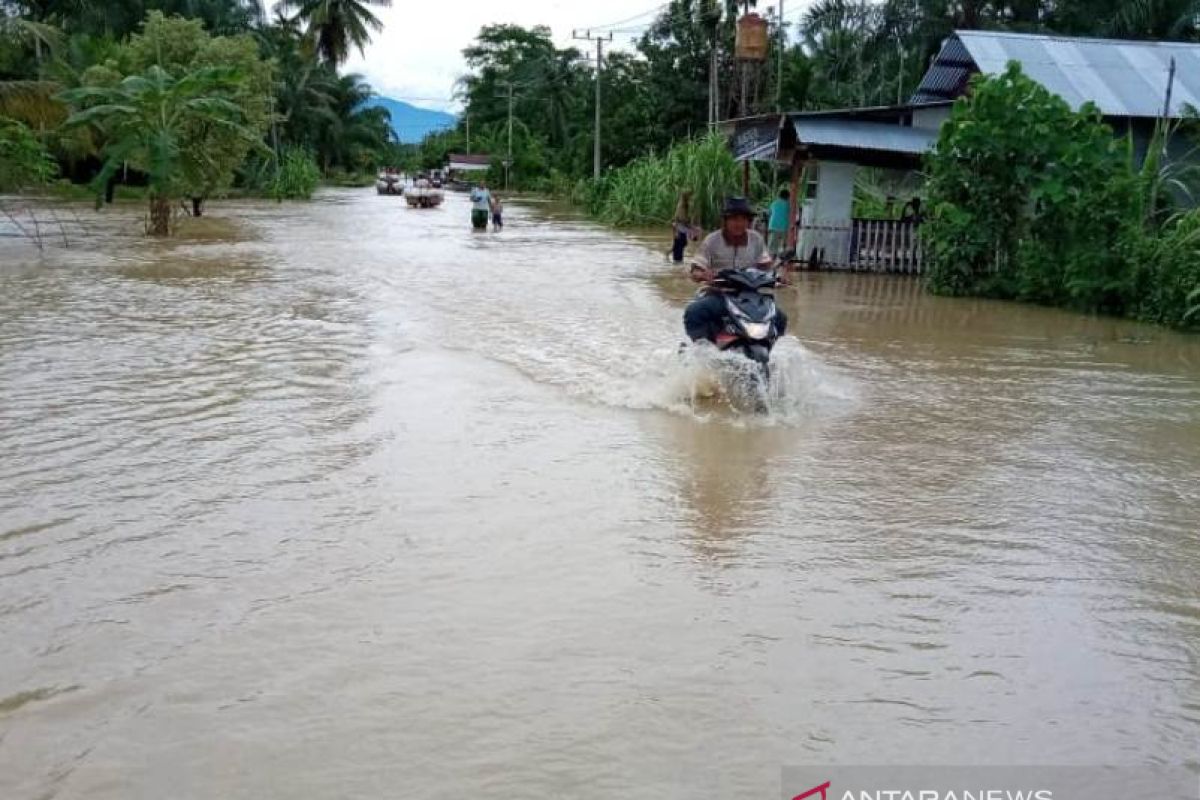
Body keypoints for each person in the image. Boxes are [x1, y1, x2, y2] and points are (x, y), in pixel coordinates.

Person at [684, 196, 786, 343]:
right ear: (725, 220)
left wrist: (780, 275)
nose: (739, 223)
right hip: (719, 294)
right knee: (694, 312)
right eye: (734, 219)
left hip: (751, 296)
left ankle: (768, 345)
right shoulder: (712, 240)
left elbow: (766, 265)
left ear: (748, 221)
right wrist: (703, 274)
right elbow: (695, 269)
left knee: (780, 317)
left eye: (743, 219)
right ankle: (701, 349)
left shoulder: (756, 239)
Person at [766, 188, 791, 257]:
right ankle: (781, 256)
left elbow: (769, 213)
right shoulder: (787, 204)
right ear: (787, 197)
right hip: (783, 226)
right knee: (784, 244)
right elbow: (789, 214)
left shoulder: (774, 203)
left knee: (773, 244)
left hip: (773, 225)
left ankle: (771, 256)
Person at [670, 190, 693, 263]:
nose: (690, 199)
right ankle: (677, 265)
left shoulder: (684, 205)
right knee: (679, 248)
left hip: (680, 229)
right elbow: (681, 218)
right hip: (679, 229)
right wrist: (688, 223)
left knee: (682, 244)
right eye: (689, 197)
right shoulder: (682, 205)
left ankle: (675, 260)